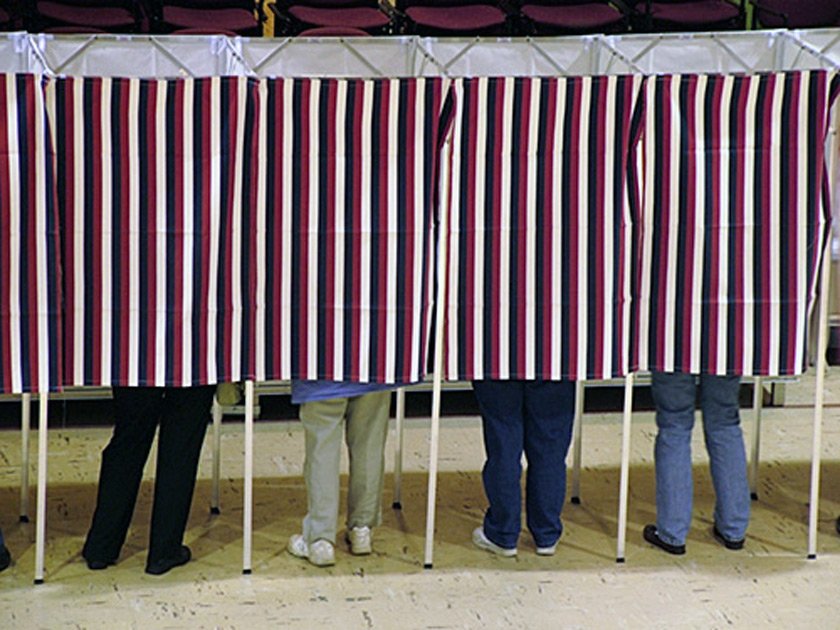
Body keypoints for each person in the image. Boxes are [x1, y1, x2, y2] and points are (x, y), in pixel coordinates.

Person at [82, 386, 215, 575]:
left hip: (137, 358)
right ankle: (164, 552)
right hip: (194, 359)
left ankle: (101, 547)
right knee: (181, 444)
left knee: (129, 437)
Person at [287, 380, 394, 567]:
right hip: (374, 363)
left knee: (322, 445)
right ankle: (362, 529)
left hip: (322, 368)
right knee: (369, 442)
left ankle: (320, 540)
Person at [643, 372, 750, 555]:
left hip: (675, 345)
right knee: (725, 421)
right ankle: (734, 529)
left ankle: (672, 532)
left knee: (674, 422)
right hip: (725, 346)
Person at [470, 380, 576, 557]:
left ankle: (502, 533)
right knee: (550, 445)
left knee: (503, 442)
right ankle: (547, 534)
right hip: (554, 357)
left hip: (497, 357)